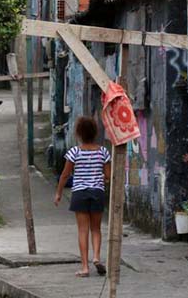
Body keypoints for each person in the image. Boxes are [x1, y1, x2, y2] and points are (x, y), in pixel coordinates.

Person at [54, 116, 111, 278]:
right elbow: (108, 176)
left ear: (78, 133)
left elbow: (65, 175)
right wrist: (100, 178)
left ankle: (85, 267)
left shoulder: (74, 152)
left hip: (79, 193)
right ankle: (96, 257)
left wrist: (58, 193)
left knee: (82, 230)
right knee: (96, 229)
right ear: (95, 133)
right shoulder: (103, 152)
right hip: (97, 192)